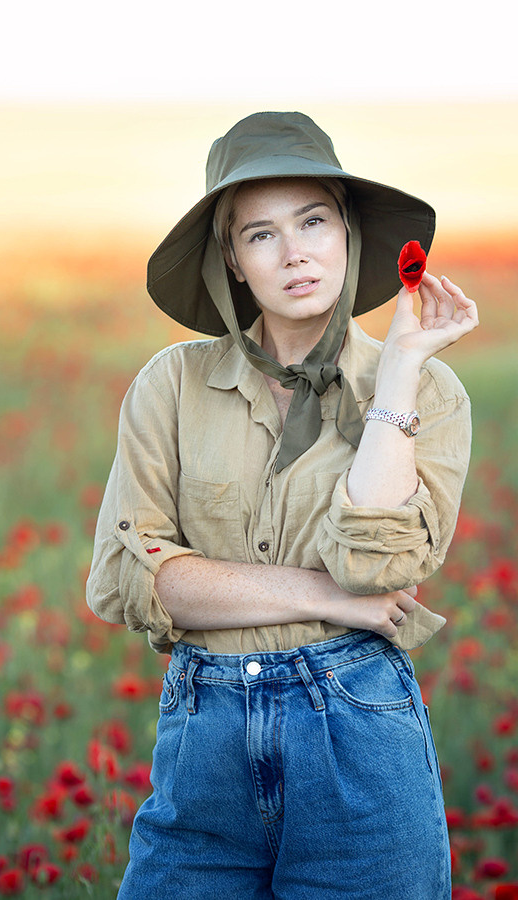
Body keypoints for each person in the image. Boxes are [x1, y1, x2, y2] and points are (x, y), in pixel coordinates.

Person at [87, 111, 478, 899]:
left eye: (313, 221)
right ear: (231, 260)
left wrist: (397, 372)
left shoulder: (428, 392)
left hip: (359, 742)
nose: (295, 252)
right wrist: (323, 597)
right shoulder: (173, 384)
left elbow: (379, 564)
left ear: (349, 234)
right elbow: (128, 583)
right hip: (204, 756)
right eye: (261, 234)